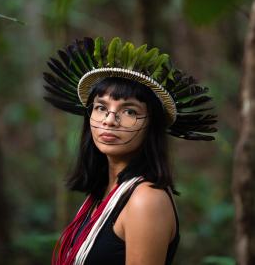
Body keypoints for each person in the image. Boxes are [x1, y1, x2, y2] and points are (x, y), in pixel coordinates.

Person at [43, 37, 217, 265]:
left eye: (130, 111)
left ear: (151, 126)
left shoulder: (146, 199)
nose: (110, 120)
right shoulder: (104, 193)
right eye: (101, 107)